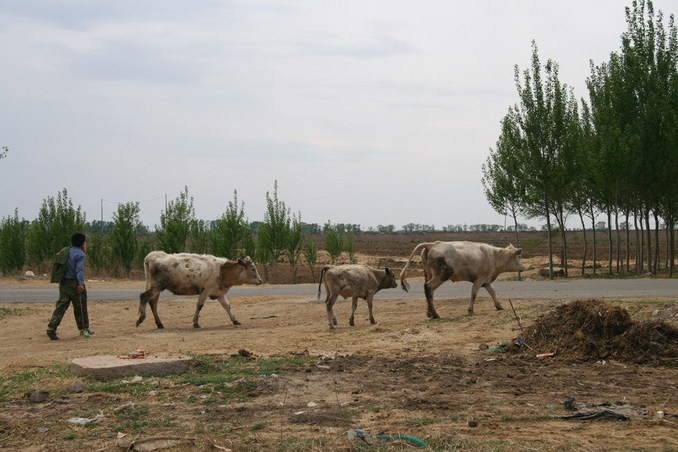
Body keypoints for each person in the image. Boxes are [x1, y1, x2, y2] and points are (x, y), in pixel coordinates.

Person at [46, 233, 94, 340]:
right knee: (80, 307)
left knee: (61, 307)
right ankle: (84, 329)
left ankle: (51, 328)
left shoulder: (65, 251)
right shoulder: (80, 254)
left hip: (63, 283)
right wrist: (80, 283)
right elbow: (79, 270)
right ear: (82, 243)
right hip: (75, 283)